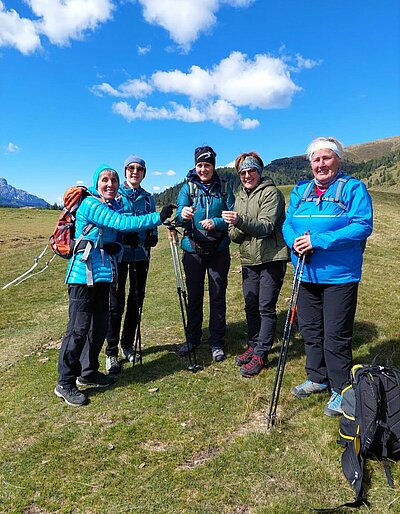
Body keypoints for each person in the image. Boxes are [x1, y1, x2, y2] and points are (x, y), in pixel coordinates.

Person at [55, 164, 174, 407]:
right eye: (104, 180)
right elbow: (119, 223)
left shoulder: (111, 205)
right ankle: (65, 382)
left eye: (113, 181)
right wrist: (158, 218)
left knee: (99, 325)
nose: (110, 184)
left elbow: (113, 241)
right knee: (78, 329)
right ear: (96, 184)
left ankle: (88, 372)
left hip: (102, 275)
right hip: (81, 276)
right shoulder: (91, 204)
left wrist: (116, 247)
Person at [282, 137, 373, 416]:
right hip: (306, 273)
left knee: (335, 334)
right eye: (316, 159)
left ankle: (340, 387)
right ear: (310, 163)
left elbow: (362, 226)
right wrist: (295, 240)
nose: (321, 164)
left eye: (326, 158)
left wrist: (318, 241)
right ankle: (317, 377)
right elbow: (288, 222)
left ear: (338, 160)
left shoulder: (353, 189)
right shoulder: (301, 191)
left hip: (339, 276)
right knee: (310, 329)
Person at [222, 152, 289, 377]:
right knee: (250, 305)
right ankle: (253, 344)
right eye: (243, 172)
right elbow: (233, 235)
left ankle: (261, 353)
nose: (247, 175)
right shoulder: (239, 197)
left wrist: (239, 222)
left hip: (271, 258)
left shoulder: (272, 194)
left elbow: (266, 227)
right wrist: (238, 226)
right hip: (249, 259)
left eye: (251, 171)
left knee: (265, 307)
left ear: (259, 172)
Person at [174, 146, 235, 362]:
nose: (203, 169)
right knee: (195, 295)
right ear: (195, 166)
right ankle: (193, 338)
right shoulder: (187, 189)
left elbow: (232, 216)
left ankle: (217, 341)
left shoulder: (225, 188)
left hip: (219, 250)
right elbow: (179, 216)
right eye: (200, 165)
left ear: (213, 166)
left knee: (217, 295)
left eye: (207, 165)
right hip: (193, 250)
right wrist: (183, 213)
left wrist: (216, 222)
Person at [105, 155, 158, 374]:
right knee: (115, 305)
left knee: (136, 301)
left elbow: (152, 221)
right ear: (125, 171)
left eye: (139, 169)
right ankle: (111, 352)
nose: (135, 172)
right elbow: (110, 222)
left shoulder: (148, 198)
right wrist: (122, 237)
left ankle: (127, 344)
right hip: (119, 257)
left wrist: (151, 236)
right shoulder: (116, 195)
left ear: (144, 173)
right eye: (131, 168)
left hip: (141, 255)